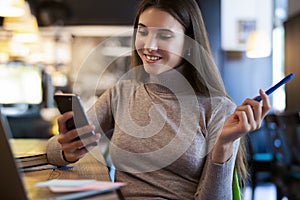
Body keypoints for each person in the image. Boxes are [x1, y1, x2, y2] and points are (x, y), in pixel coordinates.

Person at [46, 0, 271, 199]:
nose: (149, 45)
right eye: (143, 31)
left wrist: (224, 145)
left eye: (164, 35)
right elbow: (52, 150)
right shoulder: (123, 92)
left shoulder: (218, 109)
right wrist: (66, 149)